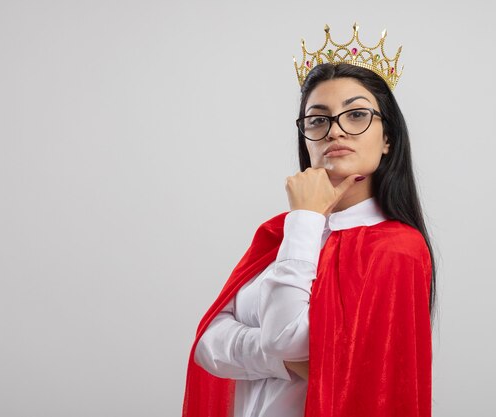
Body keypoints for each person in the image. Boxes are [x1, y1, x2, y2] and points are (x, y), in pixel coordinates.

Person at [182, 23, 436, 417]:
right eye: (318, 119)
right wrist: (282, 362)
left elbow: (283, 339)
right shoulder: (277, 235)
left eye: (356, 115)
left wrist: (304, 216)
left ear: (388, 137)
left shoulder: (395, 248)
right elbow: (207, 344)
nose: (335, 131)